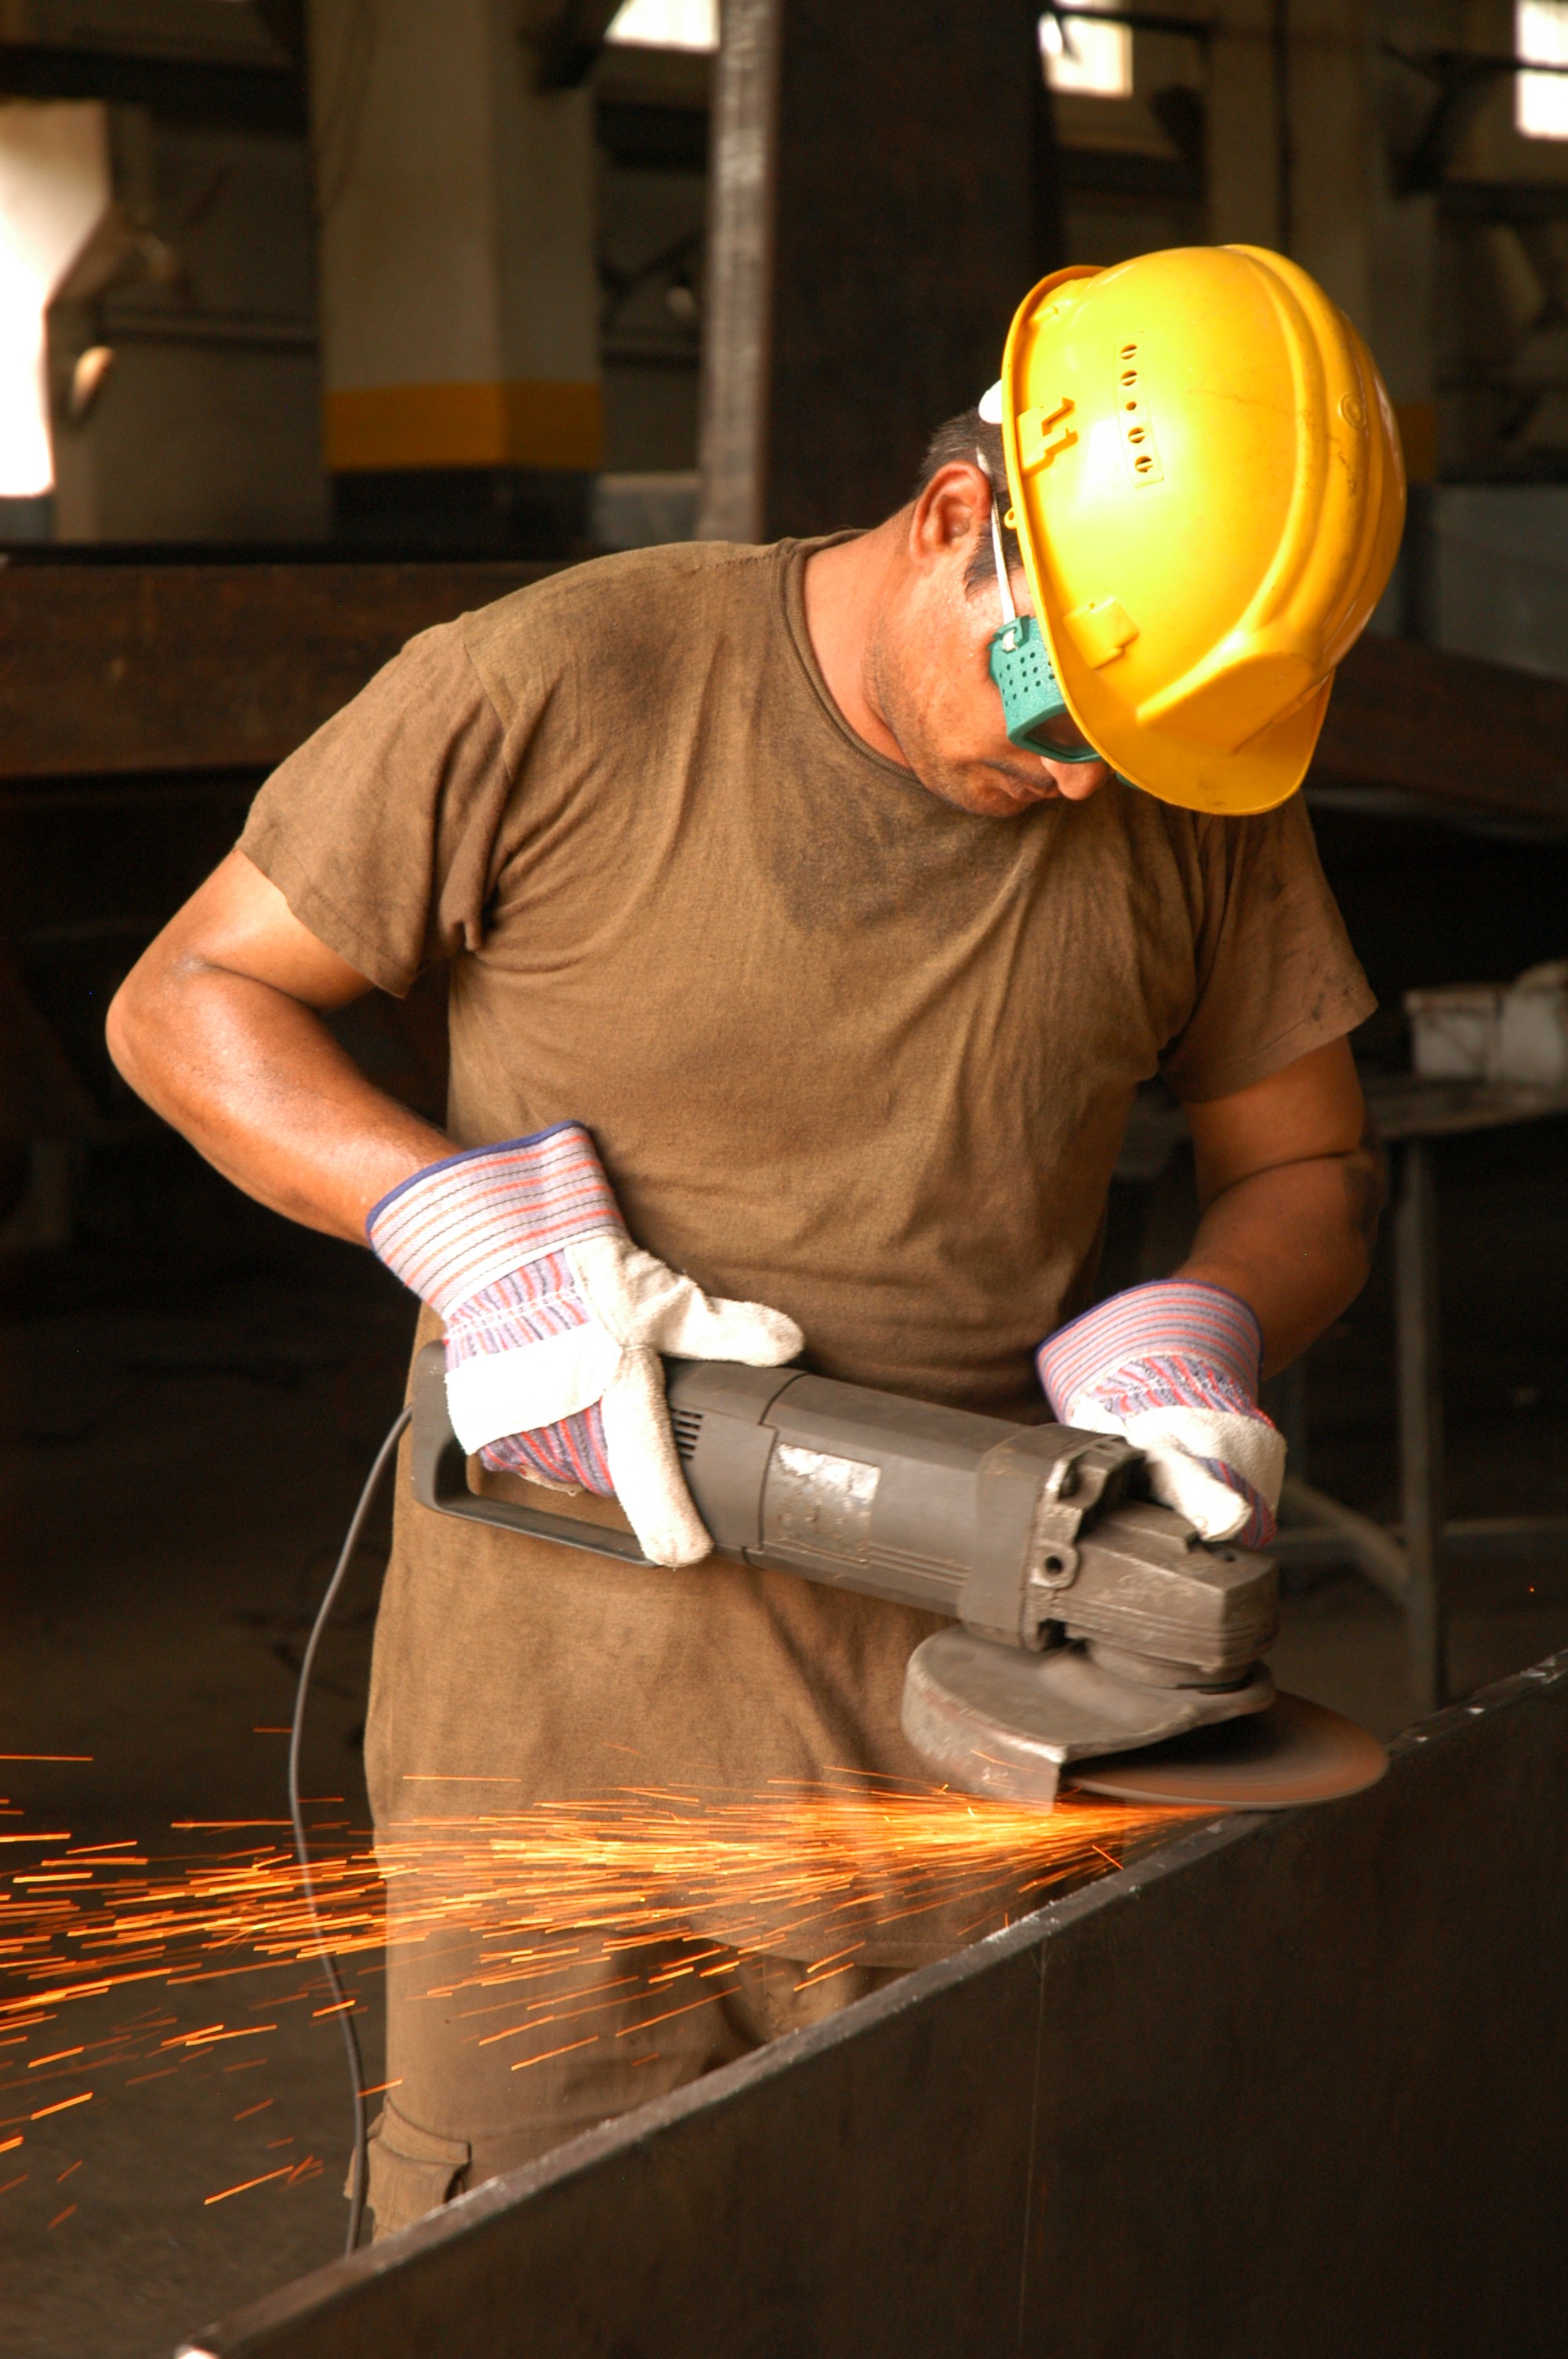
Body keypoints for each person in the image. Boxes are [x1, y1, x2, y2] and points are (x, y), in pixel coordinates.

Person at [107, 245, 1400, 2237]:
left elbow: (1308, 1166)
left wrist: (1199, 1332)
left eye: (1132, 742)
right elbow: (186, 1000)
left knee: (932, 2270)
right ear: (960, 517)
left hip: (959, 1768)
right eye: (1065, 702)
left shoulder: (1186, 786)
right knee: (510, 2282)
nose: (1081, 774)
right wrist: (454, 1228)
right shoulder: (558, 682)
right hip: (545, 1788)